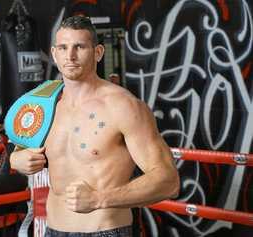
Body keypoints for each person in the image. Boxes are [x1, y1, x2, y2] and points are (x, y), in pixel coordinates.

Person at [10, 15, 180, 236]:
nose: (69, 56)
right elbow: (18, 150)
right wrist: (17, 160)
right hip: (52, 230)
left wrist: (100, 198)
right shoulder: (44, 103)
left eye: (79, 47)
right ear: (54, 53)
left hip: (104, 231)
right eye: (62, 48)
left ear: (98, 52)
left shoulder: (123, 107)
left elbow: (169, 181)